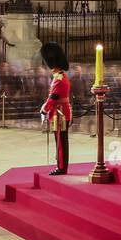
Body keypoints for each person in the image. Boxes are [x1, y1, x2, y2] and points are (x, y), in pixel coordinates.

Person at [39, 42, 72, 176]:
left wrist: (43, 109)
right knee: (61, 141)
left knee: (60, 142)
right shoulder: (60, 76)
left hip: (60, 114)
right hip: (60, 112)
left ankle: (61, 167)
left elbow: (53, 97)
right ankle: (61, 165)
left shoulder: (59, 78)